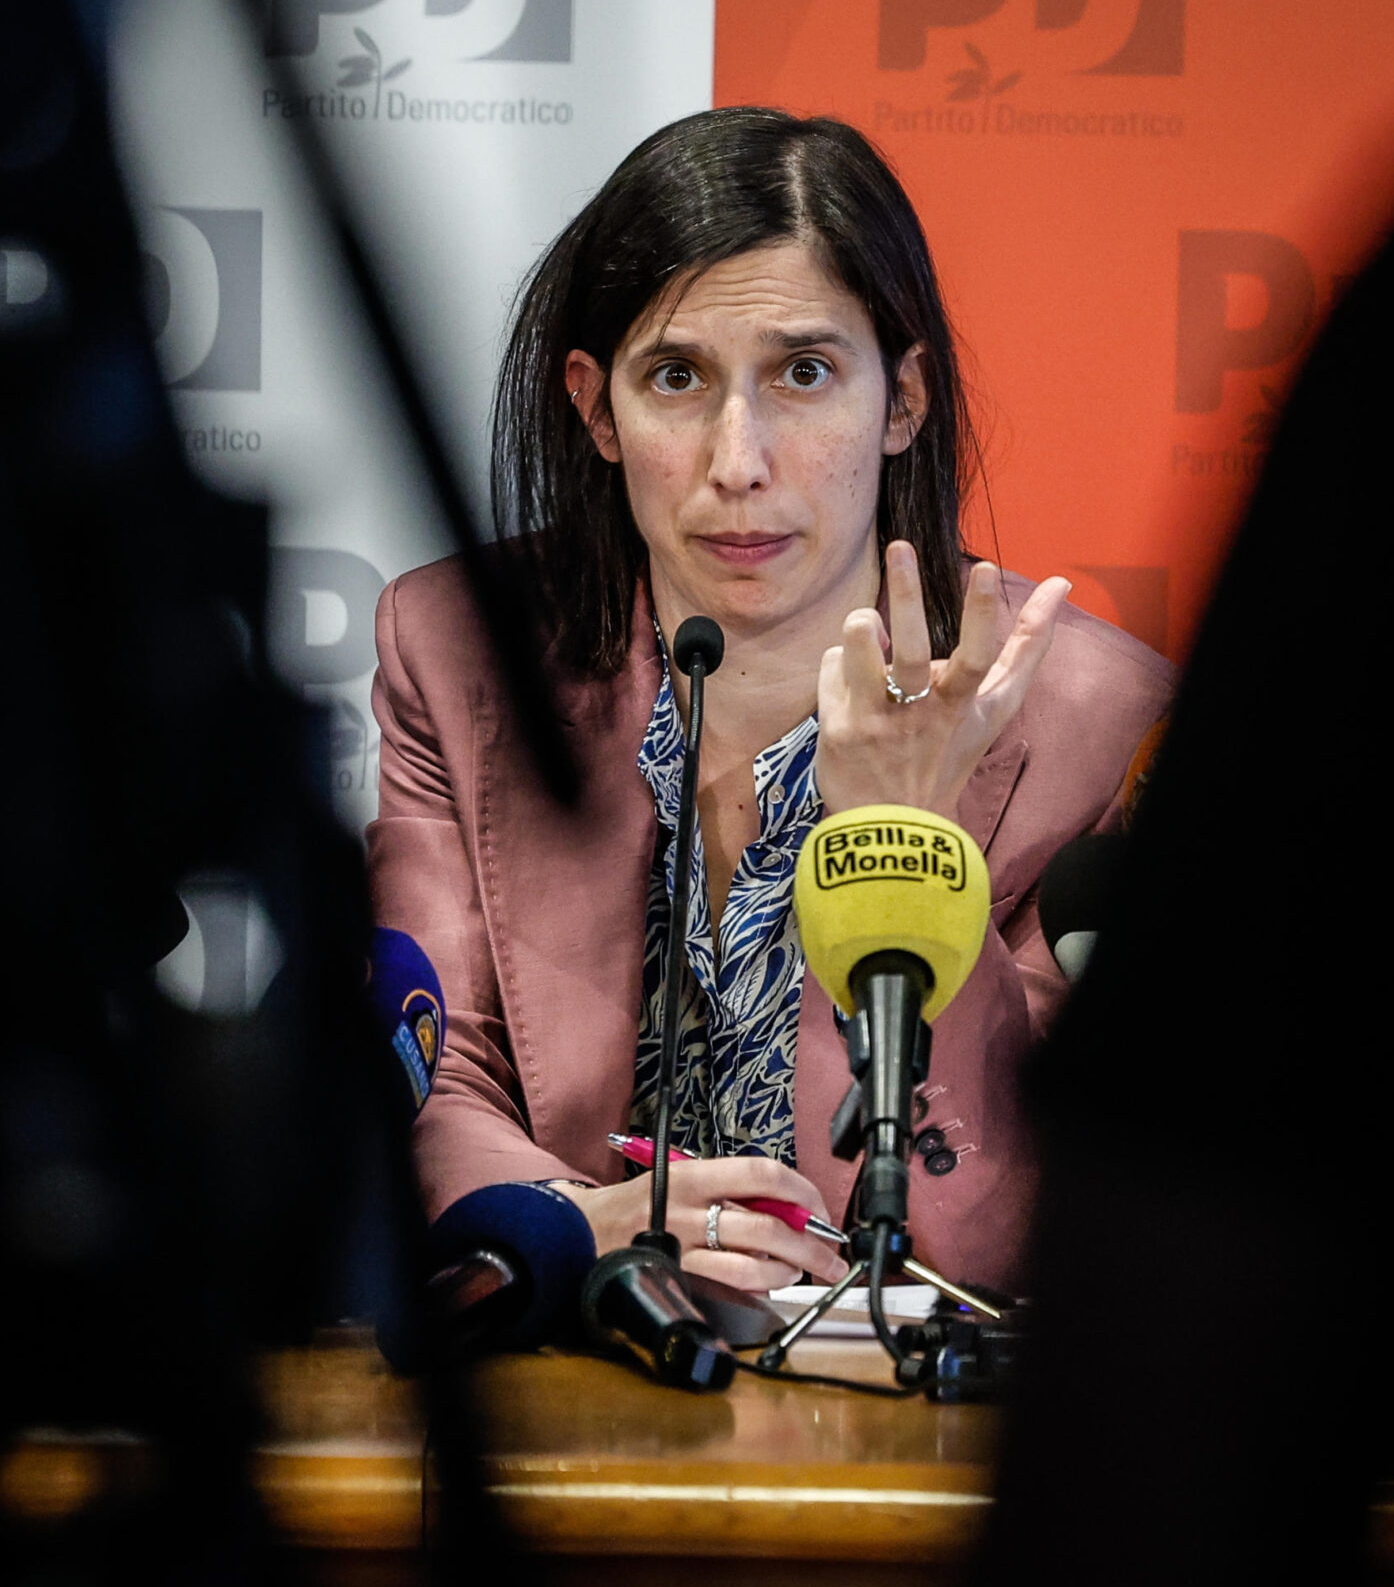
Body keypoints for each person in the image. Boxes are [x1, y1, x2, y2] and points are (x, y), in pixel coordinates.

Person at [368, 109, 1173, 1295]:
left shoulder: (1102, 727)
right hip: (579, 1353)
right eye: (677, 378)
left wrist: (903, 839)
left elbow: (1001, 1231)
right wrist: (581, 1227)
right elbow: (431, 1080)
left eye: (803, 373)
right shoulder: (460, 650)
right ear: (596, 409)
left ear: (901, 401)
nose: (736, 461)